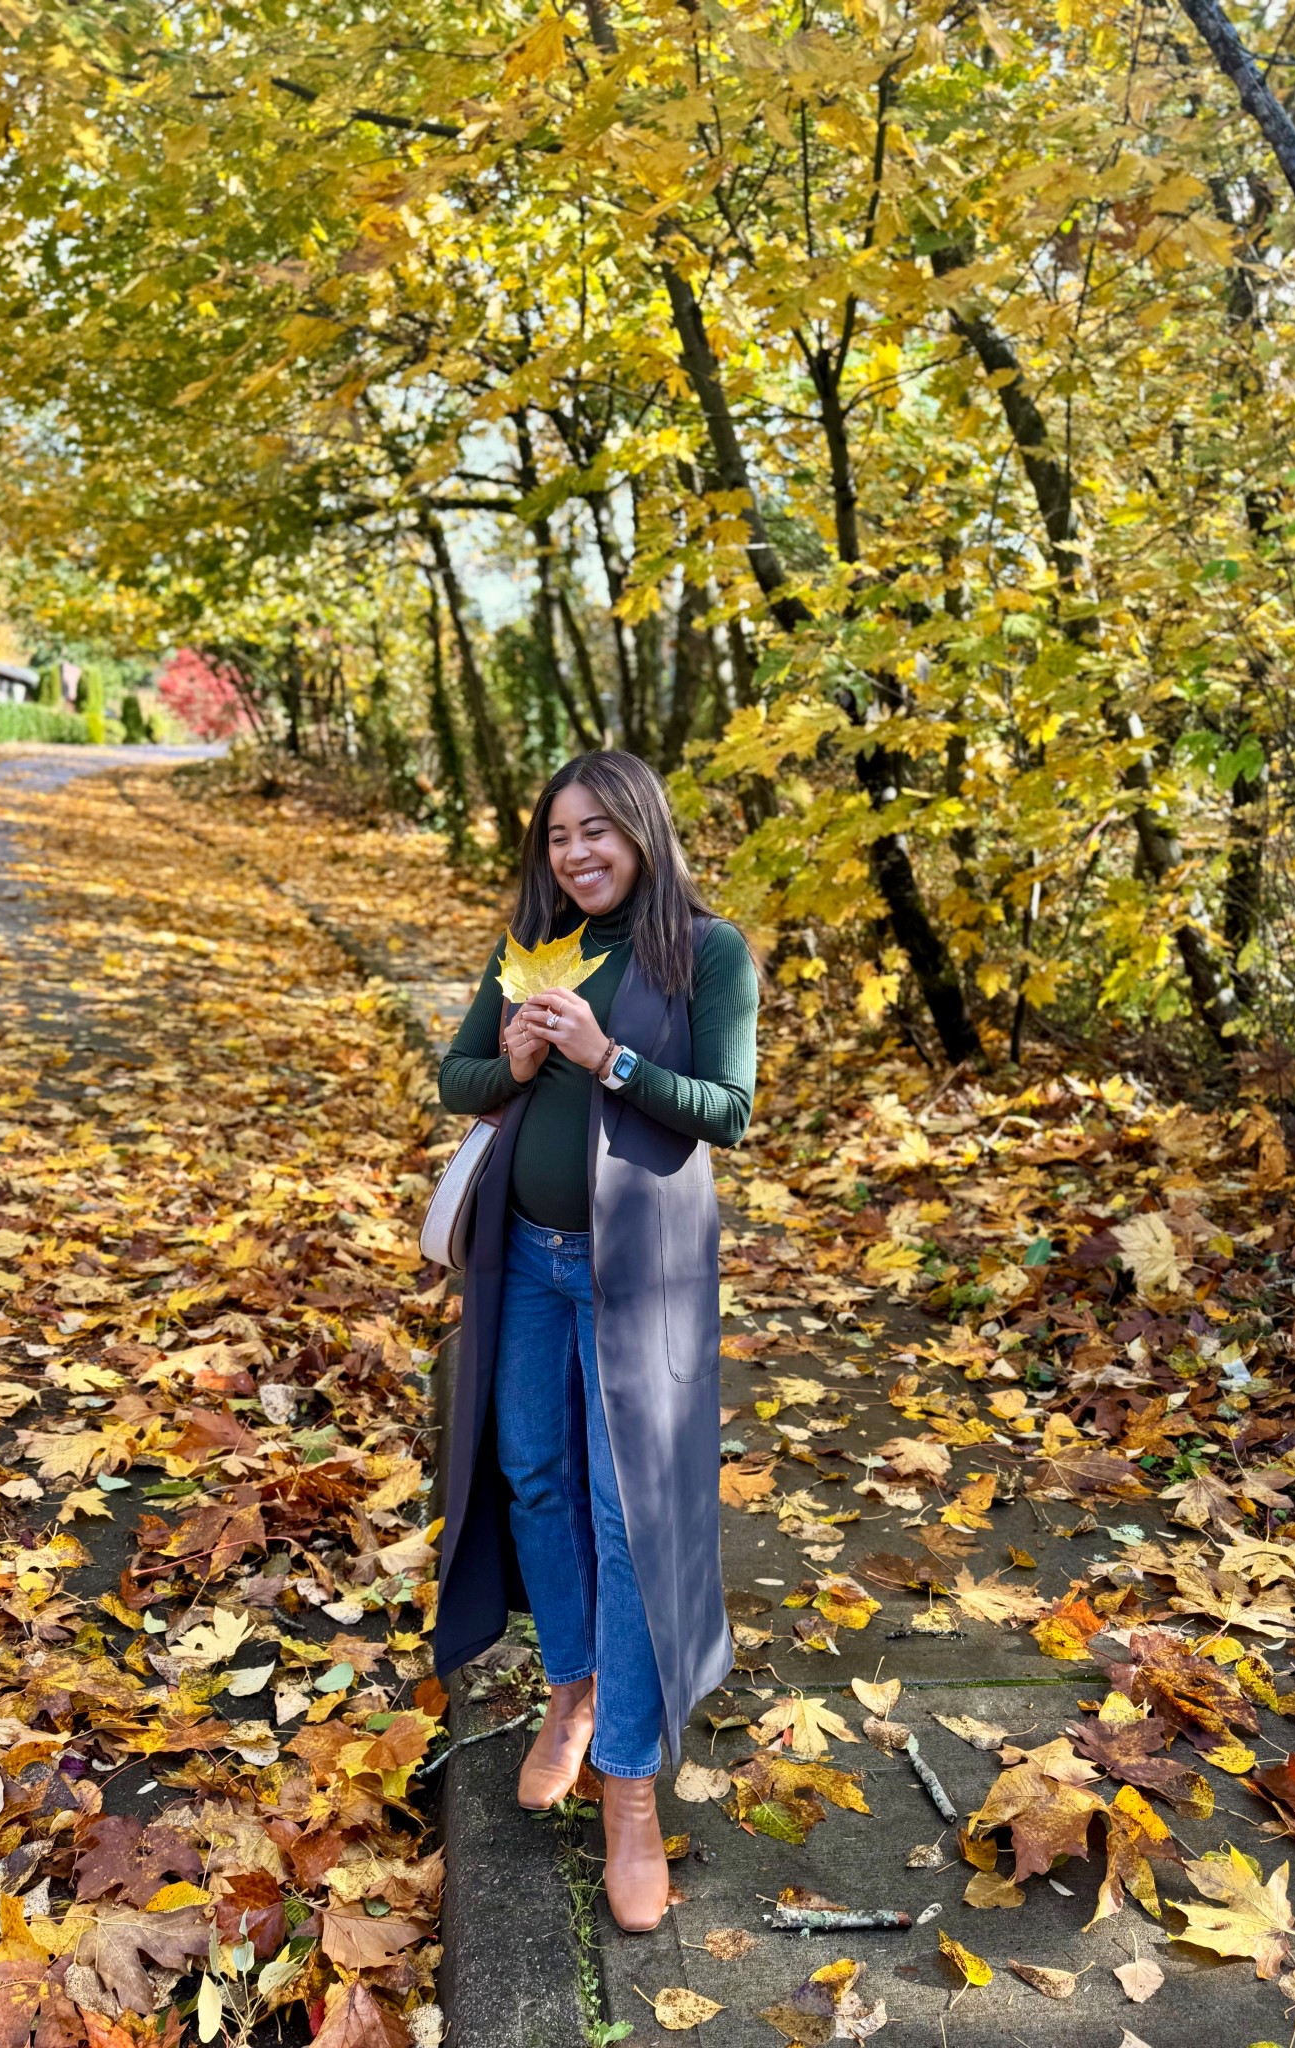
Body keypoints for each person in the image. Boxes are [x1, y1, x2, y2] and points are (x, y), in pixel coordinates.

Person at [432, 751, 760, 1933]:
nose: (575, 853)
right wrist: (513, 1057)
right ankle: (570, 1688)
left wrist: (603, 1057)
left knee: (628, 1517)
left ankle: (629, 1788)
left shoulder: (703, 952)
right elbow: (454, 1075)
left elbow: (729, 1105)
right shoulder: (533, 944)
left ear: (640, 829)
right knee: (534, 1479)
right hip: (524, 1258)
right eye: (558, 836)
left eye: (596, 831)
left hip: (643, 1274)